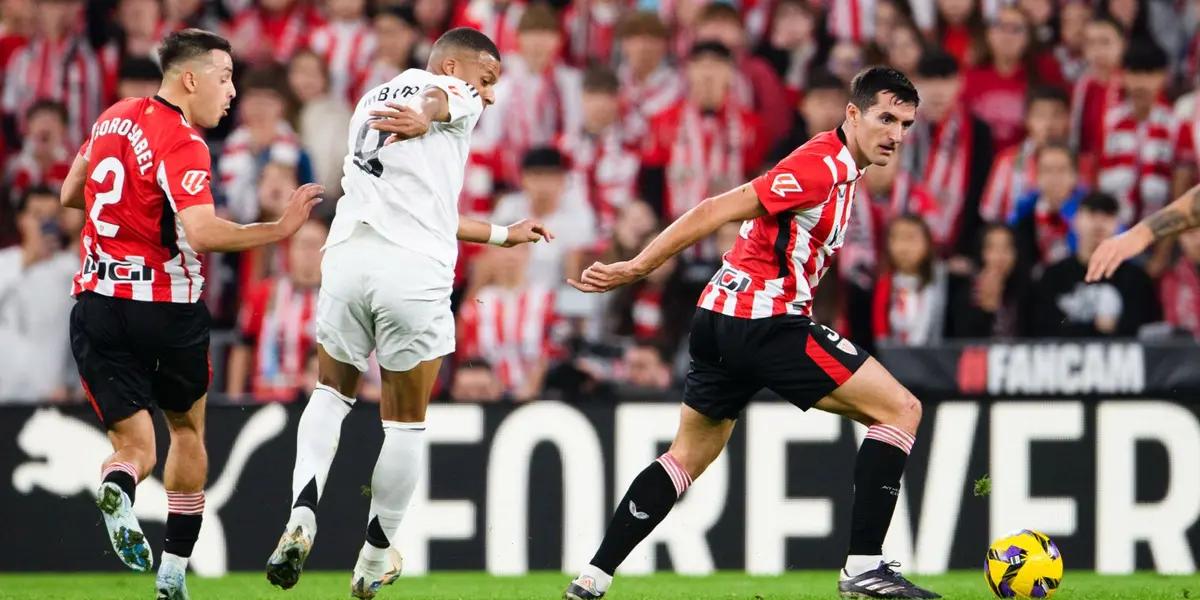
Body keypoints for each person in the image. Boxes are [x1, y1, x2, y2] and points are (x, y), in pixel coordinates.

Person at [563, 66, 939, 600]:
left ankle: (592, 580)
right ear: (852, 114)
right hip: (763, 320)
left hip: (718, 318)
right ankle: (863, 567)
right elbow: (717, 207)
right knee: (900, 410)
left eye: (905, 124)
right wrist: (639, 265)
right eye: (885, 118)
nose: (895, 135)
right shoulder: (821, 166)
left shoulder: (839, 163)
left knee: (685, 457)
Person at [262, 28, 550, 599]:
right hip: (412, 272)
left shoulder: (368, 102)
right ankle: (374, 556)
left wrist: (500, 234)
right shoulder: (447, 91)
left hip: (346, 257)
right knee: (405, 421)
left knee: (330, 394)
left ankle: (302, 512)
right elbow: (442, 100)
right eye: (486, 79)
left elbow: (426, 205)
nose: (488, 95)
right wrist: (429, 110)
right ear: (451, 64)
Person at [58, 29, 323, 600]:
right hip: (165, 309)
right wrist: (277, 229)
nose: (231, 93)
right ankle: (174, 571)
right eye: (225, 78)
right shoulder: (185, 141)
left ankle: (120, 485)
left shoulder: (113, 116)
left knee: (135, 449)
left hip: (98, 305)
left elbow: (69, 193)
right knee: (185, 430)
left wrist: (128, 208)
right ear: (190, 78)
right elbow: (201, 231)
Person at [1035, 191, 1158, 336]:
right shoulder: (1053, 277)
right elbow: (1040, 329)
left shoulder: (1136, 279)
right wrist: (1095, 328)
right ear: (1075, 221)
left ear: (1117, 224)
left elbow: (1149, 332)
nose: (1099, 223)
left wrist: (1113, 328)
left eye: (1108, 215)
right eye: (1092, 214)